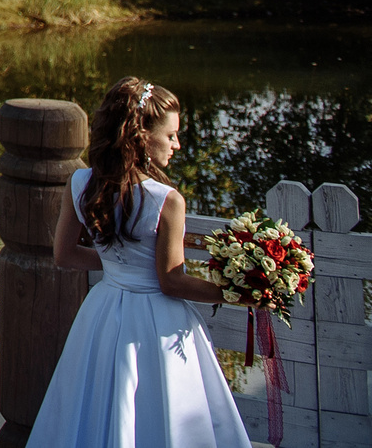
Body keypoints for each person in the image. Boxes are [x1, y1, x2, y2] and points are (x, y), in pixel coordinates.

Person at [26, 76, 252, 448]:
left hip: (102, 314)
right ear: (142, 137)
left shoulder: (81, 183)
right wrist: (238, 295)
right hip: (154, 324)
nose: (177, 144)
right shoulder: (167, 199)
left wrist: (119, 267)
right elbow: (171, 282)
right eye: (171, 135)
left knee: (96, 409)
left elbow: (64, 255)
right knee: (162, 417)